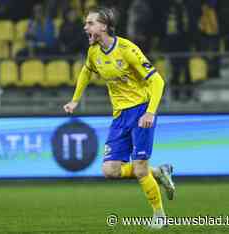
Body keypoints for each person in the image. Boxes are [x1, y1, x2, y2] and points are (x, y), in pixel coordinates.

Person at [63, 6, 175, 229]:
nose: (85, 27)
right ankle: (159, 172)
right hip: (120, 115)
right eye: (86, 24)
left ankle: (159, 215)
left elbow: (157, 81)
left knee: (140, 168)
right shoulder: (94, 52)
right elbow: (86, 71)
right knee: (110, 171)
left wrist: (150, 112)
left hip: (141, 111)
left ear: (103, 26)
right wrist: (75, 99)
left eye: (90, 23)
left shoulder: (127, 49)